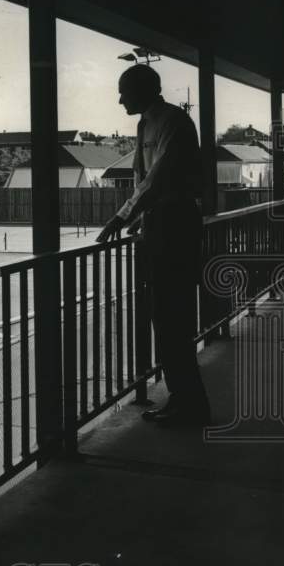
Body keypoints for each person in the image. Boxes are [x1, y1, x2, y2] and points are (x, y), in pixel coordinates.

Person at [97, 63, 211, 426]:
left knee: (172, 320)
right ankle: (183, 400)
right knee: (165, 321)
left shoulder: (173, 122)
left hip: (174, 226)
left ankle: (191, 406)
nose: (119, 100)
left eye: (124, 92)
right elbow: (143, 179)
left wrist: (123, 216)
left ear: (144, 90)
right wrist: (141, 220)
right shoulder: (147, 123)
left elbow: (158, 179)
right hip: (160, 225)